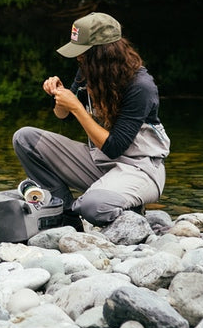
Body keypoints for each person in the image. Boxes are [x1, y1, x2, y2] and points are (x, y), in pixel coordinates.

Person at [12, 12, 170, 228]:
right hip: (97, 161)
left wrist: (77, 107)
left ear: (103, 52)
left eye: (82, 53)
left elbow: (114, 147)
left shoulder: (140, 86)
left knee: (92, 207)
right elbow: (63, 117)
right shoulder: (88, 70)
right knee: (24, 139)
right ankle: (65, 213)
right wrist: (60, 96)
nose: (78, 58)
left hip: (139, 168)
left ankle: (129, 210)